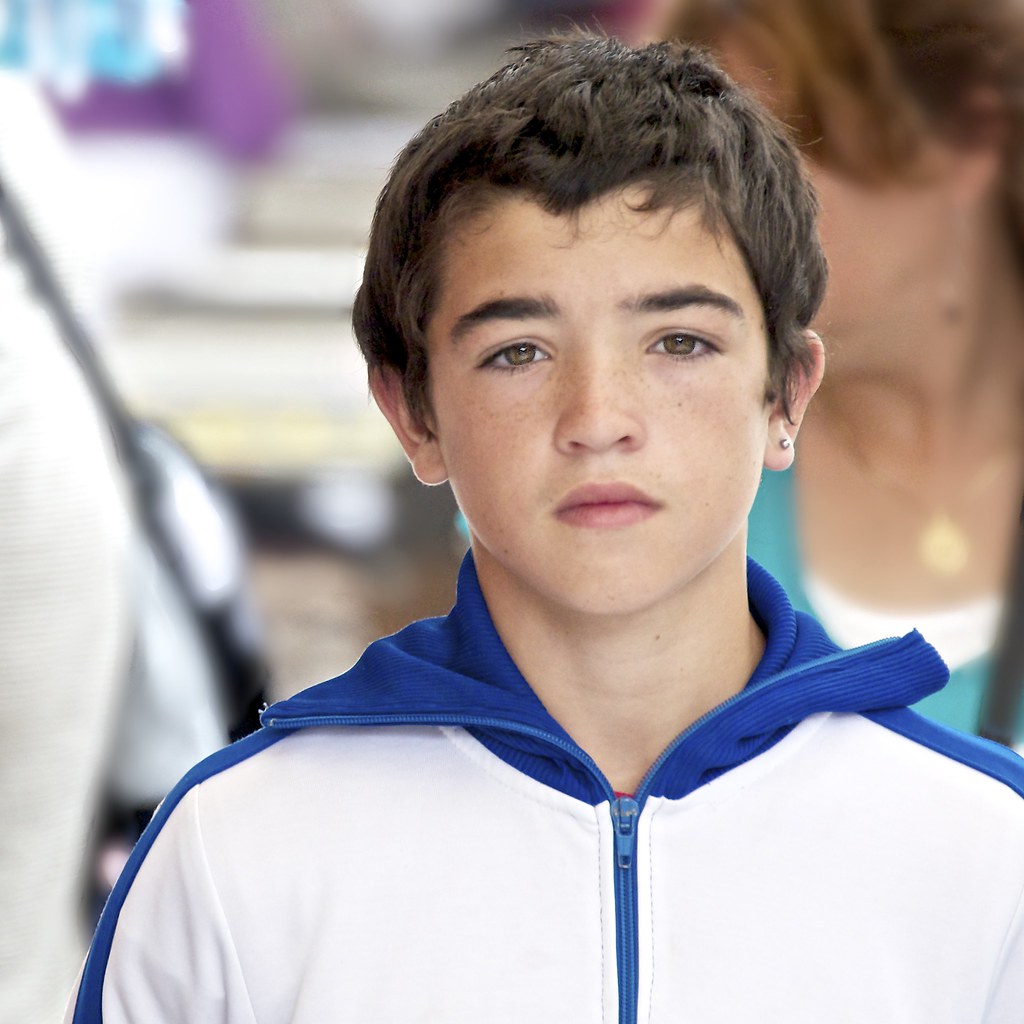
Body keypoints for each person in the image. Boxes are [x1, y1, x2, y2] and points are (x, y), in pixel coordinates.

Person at [65, 35, 1024, 1023]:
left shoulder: (989, 853)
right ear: (413, 415)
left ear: (784, 393)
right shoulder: (234, 850)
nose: (598, 416)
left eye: (679, 342)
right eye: (518, 351)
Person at [656, 0, 1024, 743]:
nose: (715, 212)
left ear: (967, 139)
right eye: (693, 166)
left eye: (775, 148)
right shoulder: (632, 473)